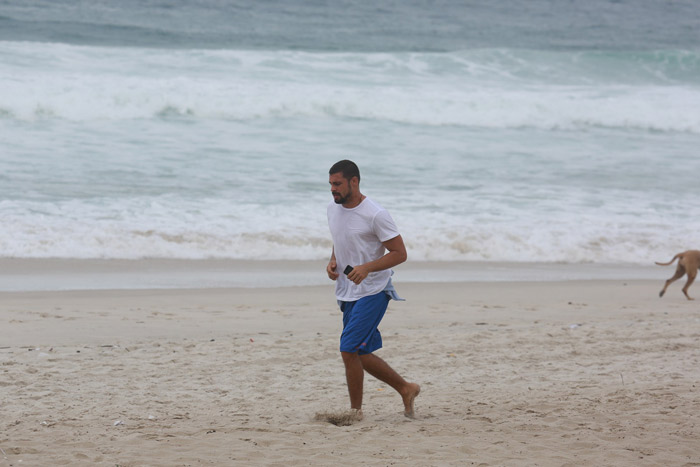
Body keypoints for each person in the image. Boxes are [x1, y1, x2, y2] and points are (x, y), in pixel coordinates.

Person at [326, 159, 420, 419]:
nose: (333, 189)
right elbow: (340, 240)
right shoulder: (332, 210)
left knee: (348, 349)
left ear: (353, 181)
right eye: (331, 184)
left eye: (338, 184)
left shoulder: (375, 214)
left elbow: (400, 253)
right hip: (346, 290)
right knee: (360, 353)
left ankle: (355, 412)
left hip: (374, 291)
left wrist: (367, 268)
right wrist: (333, 260)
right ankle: (406, 388)